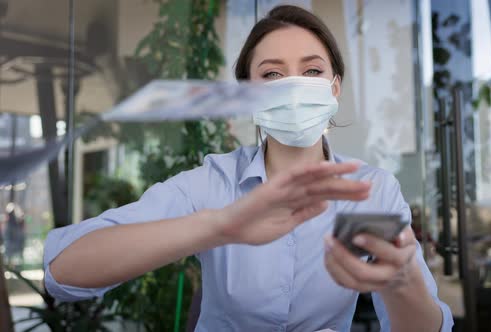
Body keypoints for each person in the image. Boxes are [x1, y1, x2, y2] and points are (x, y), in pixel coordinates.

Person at [44, 5, 453, 332]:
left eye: (312, 71)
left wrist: (402, 281)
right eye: (272, 74)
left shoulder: (368, 191)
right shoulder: (213, 183)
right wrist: (219, 225)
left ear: (334, 88)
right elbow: (63, 271)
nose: (294, 86)